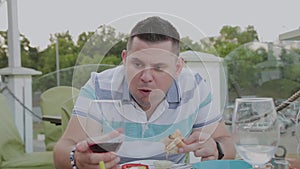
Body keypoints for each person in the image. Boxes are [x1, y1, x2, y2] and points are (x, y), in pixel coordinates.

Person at [53, 16, 236, 169]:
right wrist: (76, 159)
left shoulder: (194, 87)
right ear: (125, 59)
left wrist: (217, 149)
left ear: (177, 67)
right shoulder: (98, 86)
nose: (146, 77)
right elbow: (62, 149)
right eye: (138, 64)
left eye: (159, 67)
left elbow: (226, 143)